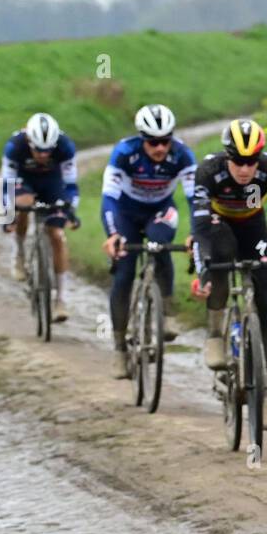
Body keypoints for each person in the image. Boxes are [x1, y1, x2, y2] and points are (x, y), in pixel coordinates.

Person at [191, 119, 267, 429]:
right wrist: (204, 270)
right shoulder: (209, 171)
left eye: (251, 161)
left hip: (253, 226)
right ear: (228, 157)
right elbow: (199, 227)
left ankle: (263, 392)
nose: (244, 169)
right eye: (238, 162)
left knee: (265, 301)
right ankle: (215, 332)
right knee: (222, 254)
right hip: (217, 224)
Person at [100, 104, 196, 378]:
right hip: (126, 214)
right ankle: (120, 348)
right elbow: (109, 197)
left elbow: (195, 198)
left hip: (160, 210)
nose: (160, 148)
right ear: (142, 138)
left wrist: (196, 232)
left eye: (165, 140)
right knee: (124, 272)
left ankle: (166, 309)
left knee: (160, 244)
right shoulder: (124, 153)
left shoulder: (182, 155)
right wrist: (113, 234)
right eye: (153, 142)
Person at [0, 112, 80, 320]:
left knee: (57, 235)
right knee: (24, 206)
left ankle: (60, 300)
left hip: (52, 183)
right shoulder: (14, 147)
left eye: (47, 151)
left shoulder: (65, 146)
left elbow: (71, 185)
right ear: (29, 141)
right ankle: (19, 254)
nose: (43, 155)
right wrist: (9, 214)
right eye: (38, 150)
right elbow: (7, 185)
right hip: (24, 181)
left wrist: (71, 210)